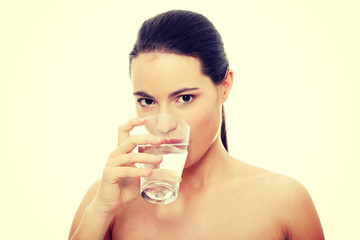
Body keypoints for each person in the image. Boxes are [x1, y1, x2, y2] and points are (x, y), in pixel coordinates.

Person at [69, 10, 324, 240]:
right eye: (147, 101)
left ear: (224, 87)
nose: (164, 125)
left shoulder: (285, 202)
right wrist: (101, 211)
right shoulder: (106, 200)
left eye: (185, 98)